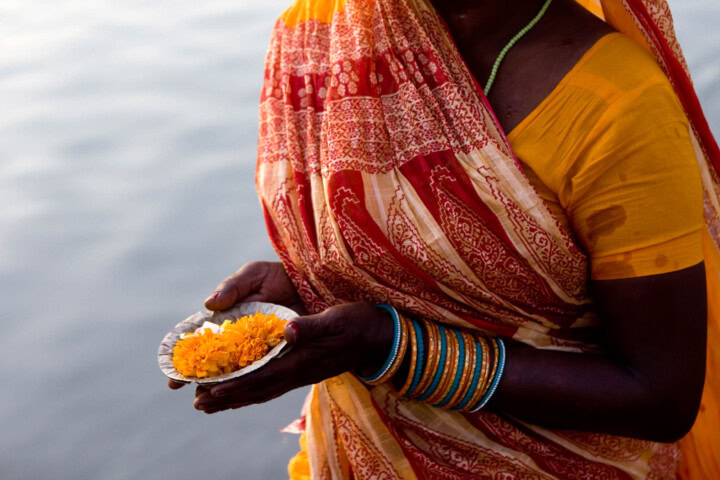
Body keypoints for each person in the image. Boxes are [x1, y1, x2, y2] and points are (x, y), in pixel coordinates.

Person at [168, 0, 720, 477]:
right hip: (357, 453)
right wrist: (313, 282)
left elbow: (659, 397)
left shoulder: (615, 105)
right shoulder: (322, 36)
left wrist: (388, 347)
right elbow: (428, 259)